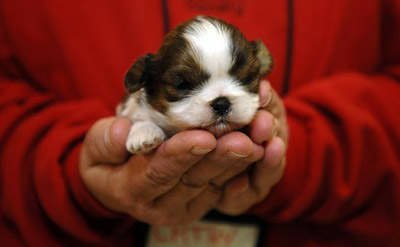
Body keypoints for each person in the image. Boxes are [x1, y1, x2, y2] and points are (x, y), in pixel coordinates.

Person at [0, 0, 399, 246]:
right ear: (146, 83)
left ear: (259, 68)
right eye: (184, 85)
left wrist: (308, 153)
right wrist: (67, 173)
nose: (220, 101)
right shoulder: (140, 105)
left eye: (241, 79)